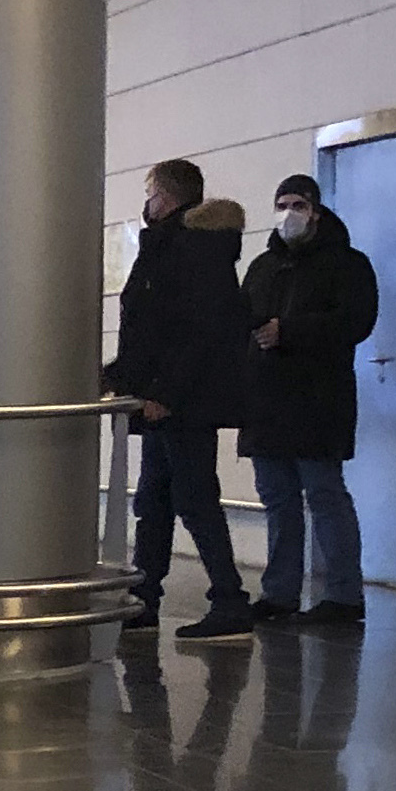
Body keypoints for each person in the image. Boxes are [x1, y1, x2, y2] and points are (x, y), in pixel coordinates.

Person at [106, 160, 257, 643]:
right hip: (161, 397)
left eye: (149, 192)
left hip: (180, 402)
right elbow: (152, 332)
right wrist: (118, 377)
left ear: (166, 197)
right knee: (155, 500)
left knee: (194, 499)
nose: (146, 202)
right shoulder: (171, 246)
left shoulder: (190, 250)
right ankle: (145, 598)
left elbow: (193, 334)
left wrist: (163, 394)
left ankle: (230, 601)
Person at [238, 174, 379, 631]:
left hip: (319, 399)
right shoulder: (263, 267)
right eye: (282, 204)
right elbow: (240, 317)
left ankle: (343, 594)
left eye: (298, 204)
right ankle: (279, 592)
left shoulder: (348, 264)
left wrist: (290, 331)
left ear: (316, 210)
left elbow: (356, 322)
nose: (289, 213)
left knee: (325, 495)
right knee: (277, 500)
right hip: (266, 400)